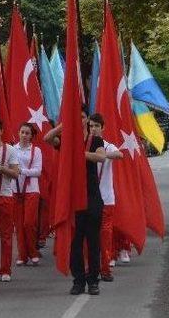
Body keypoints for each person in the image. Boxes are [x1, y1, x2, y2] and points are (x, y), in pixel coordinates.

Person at [44, 109, 106, 296]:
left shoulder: (95, 139)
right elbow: (47, 138)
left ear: (87, 119)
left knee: (93, 242)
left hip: (93, 197)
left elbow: (101, 157)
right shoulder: (67, 140)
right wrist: (63, 125)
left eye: (81, 117)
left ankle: (93, 281)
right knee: (76, 243)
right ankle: (78, 281)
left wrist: (79, 154)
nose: (78, 120)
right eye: (75, 117)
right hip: (74, 200)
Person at [88, 114, 123, 282]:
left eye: (96, 126)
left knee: (105, 236)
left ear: (103, 128)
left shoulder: (108, 146)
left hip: (106, 199)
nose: (93, 129)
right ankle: (91, 269)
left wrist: (101, 155)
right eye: (90, 126)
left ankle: (106, 269)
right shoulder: (85, 145)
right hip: (90, 199)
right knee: (89, 236)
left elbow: (119, 155)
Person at [0, 118, 20, 282]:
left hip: (5, 196)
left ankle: (5, 270)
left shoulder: (10, 150)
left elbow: (15, 173)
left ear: (1, 131)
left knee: (6, 235)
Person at [12, 123, 43, 267]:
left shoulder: (36, 151)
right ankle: (22, 255)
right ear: (18, 133)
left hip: (31, 190)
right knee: (19, 224)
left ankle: (33, 252)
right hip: (15, 190)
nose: (24, 135)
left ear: (31, 136)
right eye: (22, 132)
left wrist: (22, 171)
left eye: (27, 133)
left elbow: (37, 171)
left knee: (29, 223)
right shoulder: (12, 149)